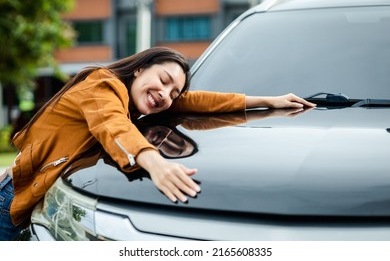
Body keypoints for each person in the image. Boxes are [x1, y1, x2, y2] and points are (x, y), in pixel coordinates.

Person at [0, 46, 315, 240]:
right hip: (13, 200)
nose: (167, 94)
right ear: (139, 69)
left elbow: (198, 101)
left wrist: (269, 101)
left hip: (36, 197)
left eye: (173, 91)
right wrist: (155, 163)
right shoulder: (101, 84)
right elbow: (113, 126)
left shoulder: (139, 101)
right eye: (164, 80)